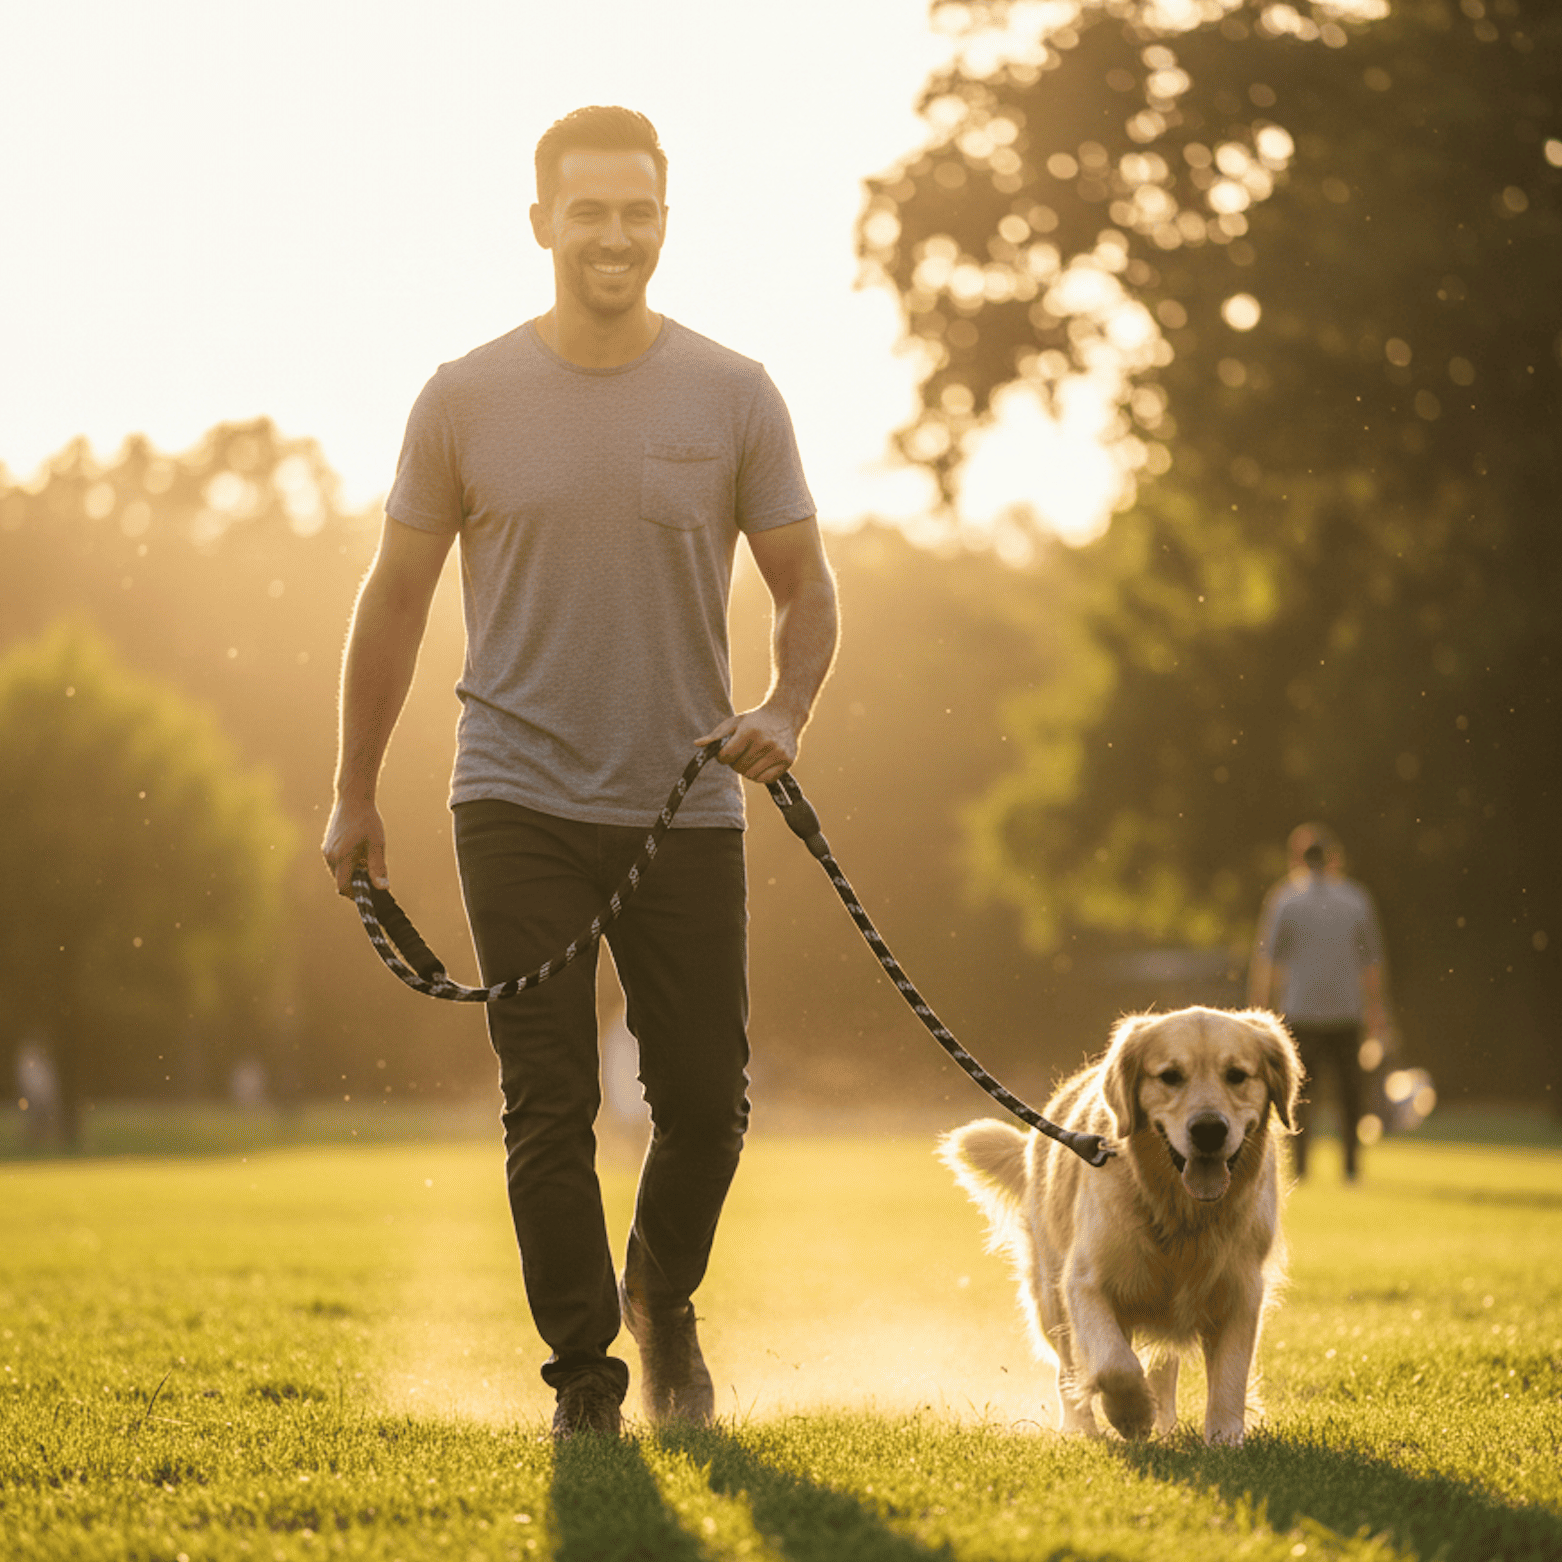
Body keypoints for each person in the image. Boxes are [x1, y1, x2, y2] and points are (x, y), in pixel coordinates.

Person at [321, 106, 838, 1439]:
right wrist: (353, 785)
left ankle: (663, 1301)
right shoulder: (463, 395)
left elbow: (803, 584)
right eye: (589, 210)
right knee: (545, 1097)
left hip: (685, 796)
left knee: (709, 1104)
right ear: (541, 220)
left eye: (638, 211)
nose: (615, 235)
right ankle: (585, 1372)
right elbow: (391, 601)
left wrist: (784, 701)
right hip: (514, 793)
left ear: (663, 219)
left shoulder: (733, 393)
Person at [1248, 824, 1387, 1181]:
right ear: (1334, 859)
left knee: (1299, 1095)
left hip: (1301, 1010)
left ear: (1298, 859)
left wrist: (1259, 1012)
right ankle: (1352, 1166)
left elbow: (1269, 962)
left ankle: (1301, 1167)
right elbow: (1371, 963)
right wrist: (1377, 1011)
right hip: (1346, 1010)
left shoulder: (1285, 899)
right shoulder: (1356, 899)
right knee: (1349, 1094)